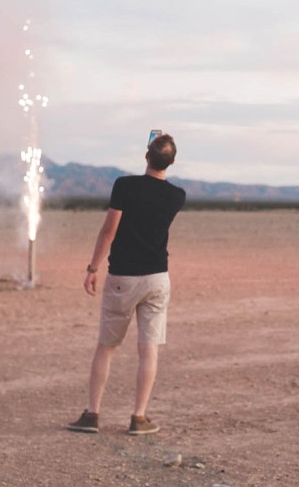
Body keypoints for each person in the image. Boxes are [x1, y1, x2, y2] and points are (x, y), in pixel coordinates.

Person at [66, 133, 186, 436]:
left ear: (146, 155)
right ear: (172, 162)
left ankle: (93, 414)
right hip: (157, 278)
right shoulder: (177, 196)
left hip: (123, 276)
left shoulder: (125, 186)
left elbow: (109, 230)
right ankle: (139, 417)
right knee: (149, 350)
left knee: (106, 347)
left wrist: (93, 267)